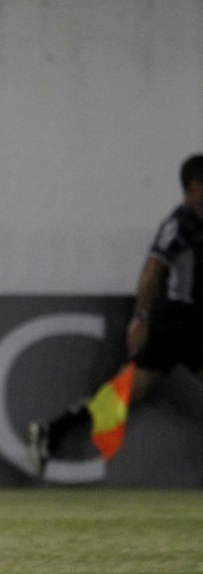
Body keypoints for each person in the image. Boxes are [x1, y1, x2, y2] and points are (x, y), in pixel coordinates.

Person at [28, 154, 203, 479]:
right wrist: (140, 317)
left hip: (183, 323)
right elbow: (153, 269)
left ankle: (52, 431)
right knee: (125, 394)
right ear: (194, 187)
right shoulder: (180, 225)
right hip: (182, 321)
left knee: (125, 394)